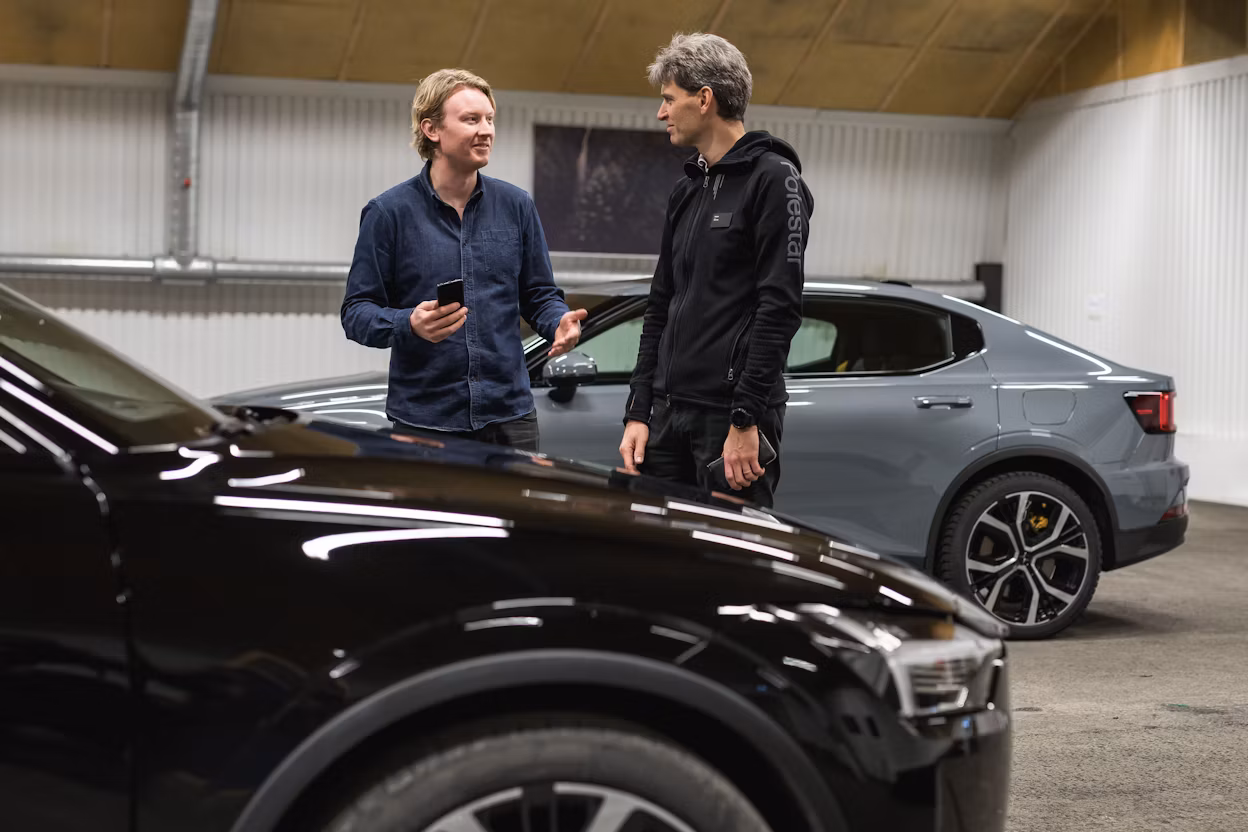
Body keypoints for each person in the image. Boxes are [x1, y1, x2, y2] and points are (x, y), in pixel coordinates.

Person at [341, 68, 586, 452]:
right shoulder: (389, 213)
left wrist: (559, 322)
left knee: (516, 515)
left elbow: (538, 294)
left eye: (489, 119)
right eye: (471, 119)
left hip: (510, 419)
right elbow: (356, 313)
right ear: (431, 129)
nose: (486, 130)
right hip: (425, 422)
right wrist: (409, 323)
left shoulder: (516, 206)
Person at [618, 33, 813, 508]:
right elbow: (659, 305)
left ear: (704, 99)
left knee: (728, 574)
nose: (661, 113)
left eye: (668, 99)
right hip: (666, 417)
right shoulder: (686, 190)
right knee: (659, 563)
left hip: (730, 423)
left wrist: (746, 418)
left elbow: (779, 309)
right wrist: (639, 410)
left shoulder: (774, 180)